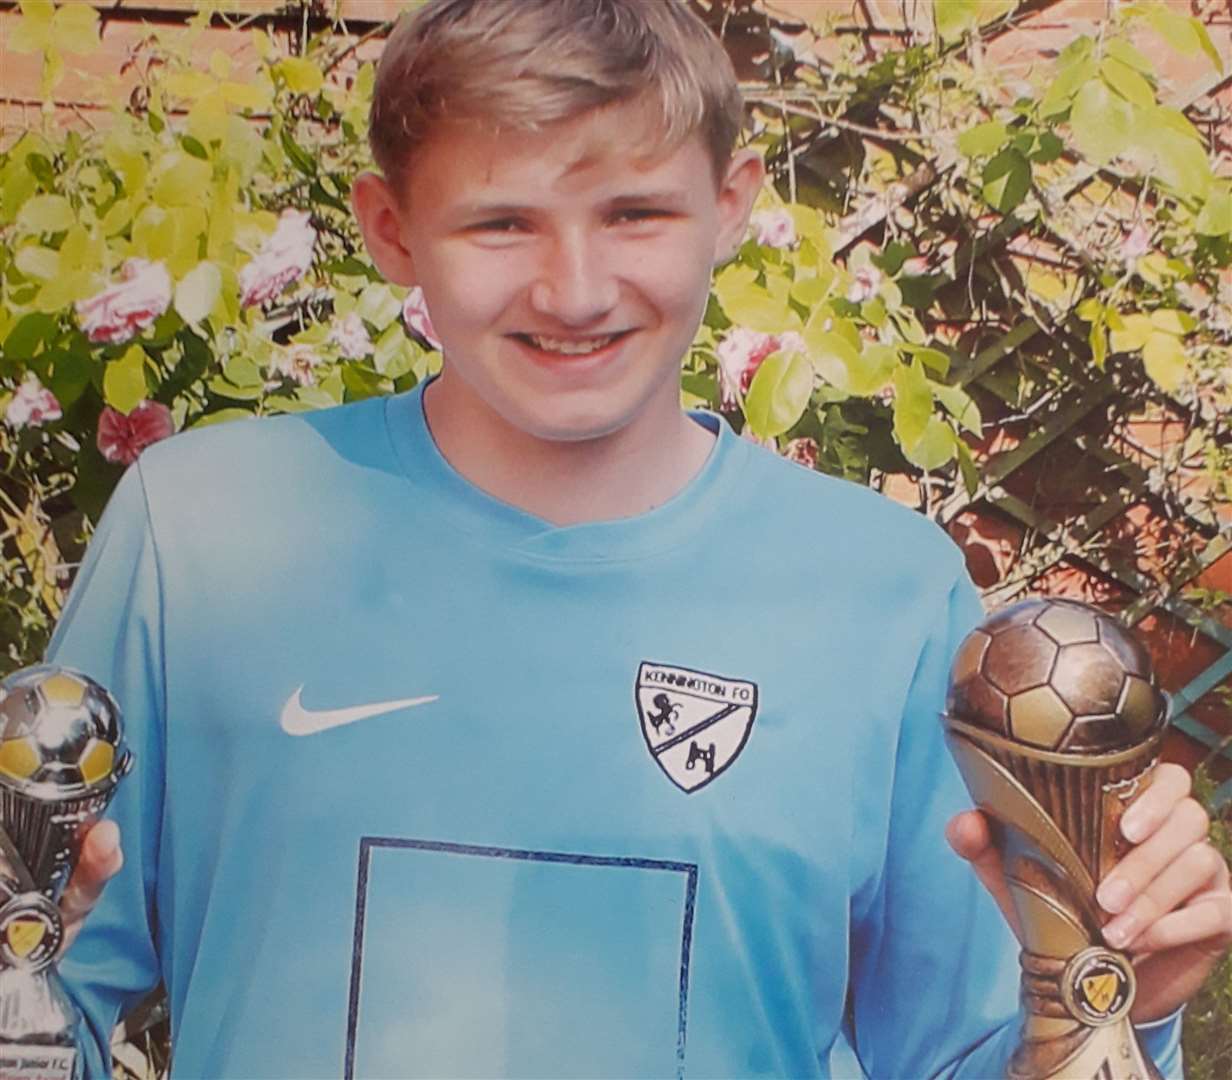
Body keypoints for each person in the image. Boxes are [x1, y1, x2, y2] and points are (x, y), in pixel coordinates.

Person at [42, 1, 1231, 1077]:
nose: (572, 289)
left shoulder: (880, 594)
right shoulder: (205, 531)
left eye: (633, 214)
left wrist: (1119, 996)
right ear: (390, 230)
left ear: (729, 204)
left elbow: (969, 1058)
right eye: (501, 222)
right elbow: (45, 998)